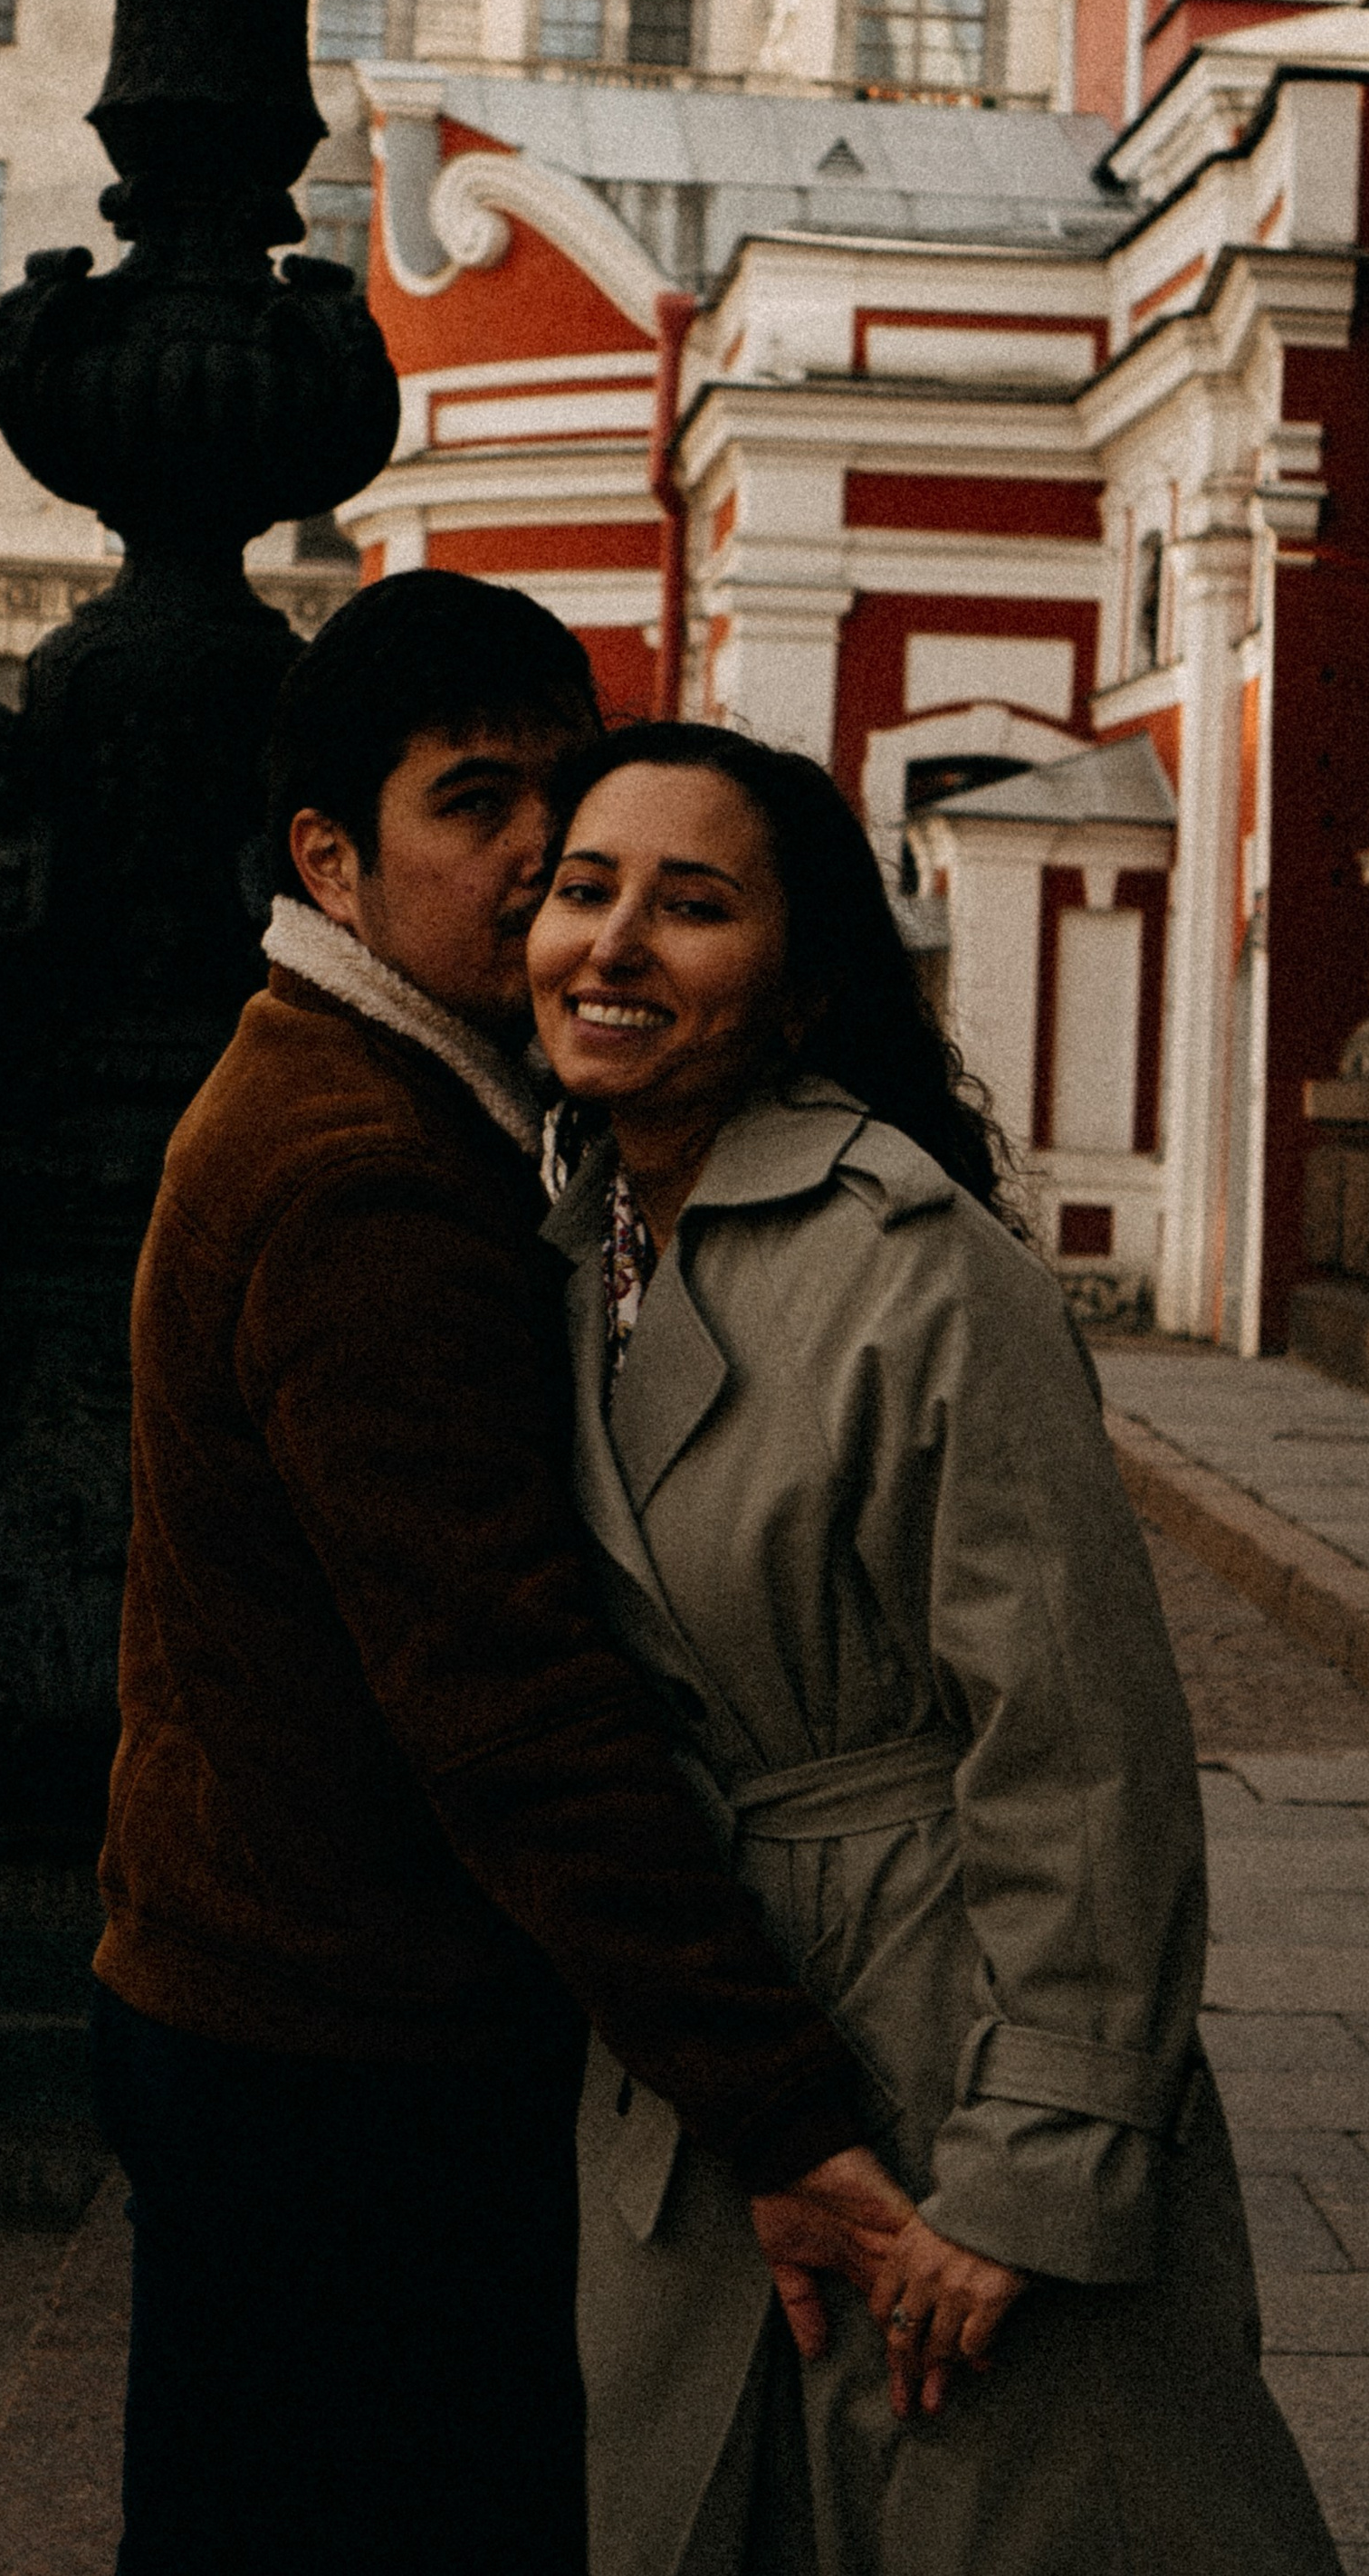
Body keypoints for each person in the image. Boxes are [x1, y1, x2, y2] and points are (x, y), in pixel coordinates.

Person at [92, 579, 908, 2576]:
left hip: (268, 2005)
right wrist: (781, 2107)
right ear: (332, 863)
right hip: (343, 2063)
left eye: (562, 784)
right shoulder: (363, 1175)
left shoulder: (395, 1101)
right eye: (474, 801)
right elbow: (507, 1702)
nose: (541, 852)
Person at [530, 722, 1347, 2576]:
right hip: (705, 2073)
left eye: (692, 905)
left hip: (939, 2024)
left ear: (801, 979)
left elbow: (1078, 1747)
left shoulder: (917, 1262)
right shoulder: (562, 1252)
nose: (614, 945)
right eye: (584, 892)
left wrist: (1042, 2158)